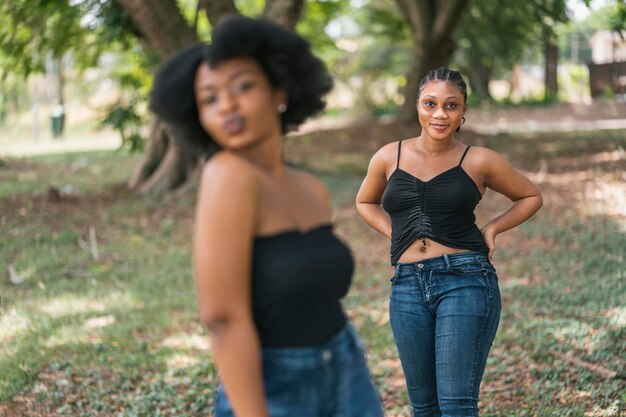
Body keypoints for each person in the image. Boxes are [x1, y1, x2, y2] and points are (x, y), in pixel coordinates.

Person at [150, 15, 384, 417]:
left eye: (243, 85)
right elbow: (222, 318)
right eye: (209, 98)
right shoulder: (227, 175)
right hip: (276, 385)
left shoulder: (311, 188)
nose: (227, 104)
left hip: (345, 366)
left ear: (280, 91)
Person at [355, 67, 543, 417]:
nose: (440, 114)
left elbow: (530, 196)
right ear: (417, 106)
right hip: (407, 286)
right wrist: (395, 233)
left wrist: (492, 229)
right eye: (431, 103)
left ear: (463, 112)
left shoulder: (479, 159)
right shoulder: (387, 156)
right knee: (424, 408)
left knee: (456, 406)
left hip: (465, 280)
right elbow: (365, 202)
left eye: (451, 106)